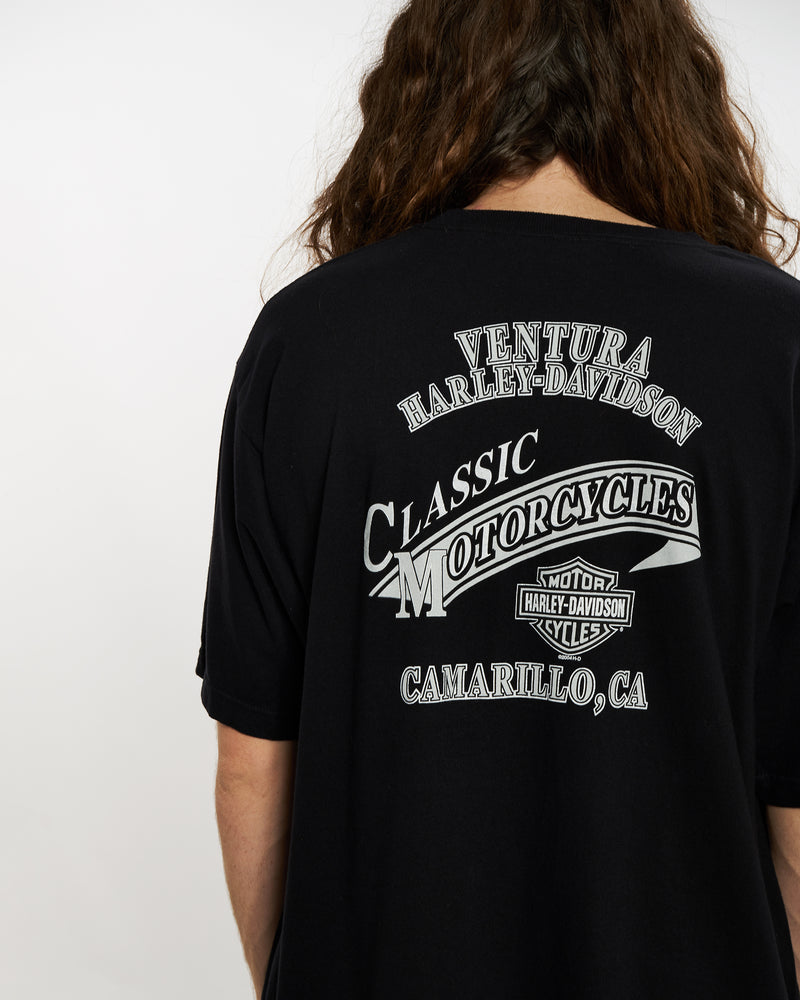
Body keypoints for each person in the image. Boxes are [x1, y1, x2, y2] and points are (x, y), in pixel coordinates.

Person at [194, 1, 800, 997]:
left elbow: (251, 758)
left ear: (427, 89)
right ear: (665, 90)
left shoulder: (311, 339)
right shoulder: (775, 344)